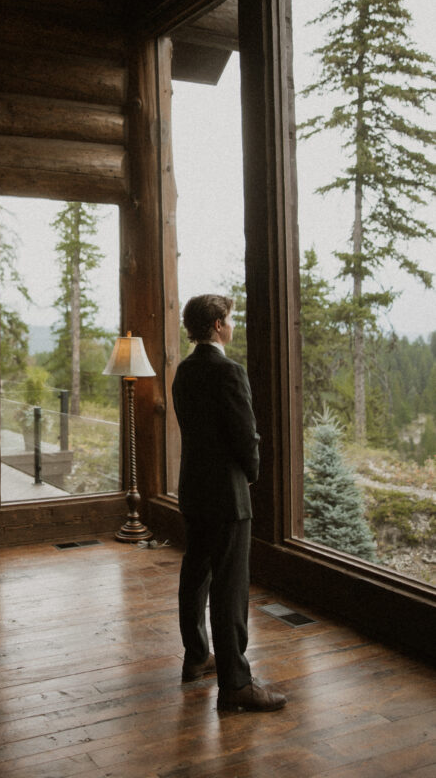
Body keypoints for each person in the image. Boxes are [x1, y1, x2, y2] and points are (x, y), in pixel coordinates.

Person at [172, 294, 287, 712]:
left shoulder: (184, 371)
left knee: (196, 575)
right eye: (231, 320)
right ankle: (236, 684)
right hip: (227, 496)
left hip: (194, 491)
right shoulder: (229, 371)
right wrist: (252, 474)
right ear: (218, 324)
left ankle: (197, 656)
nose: (233, 326)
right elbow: (245, 437)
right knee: (230, 589)